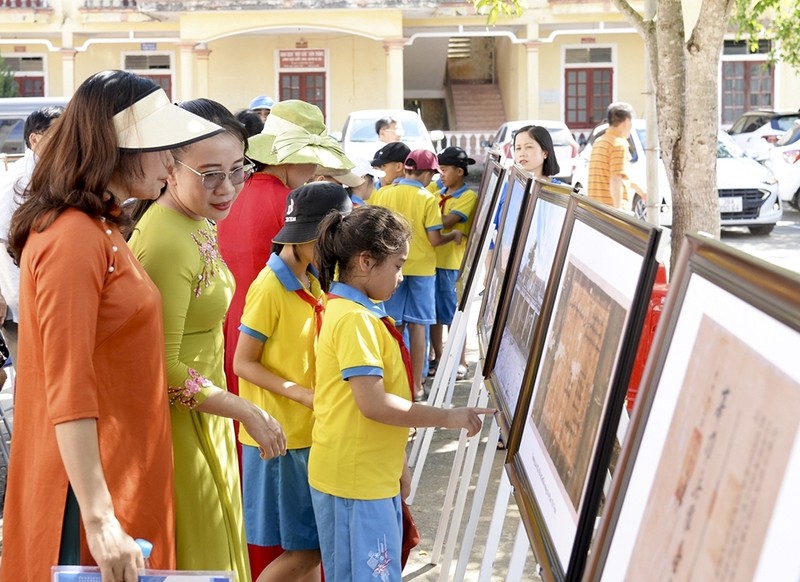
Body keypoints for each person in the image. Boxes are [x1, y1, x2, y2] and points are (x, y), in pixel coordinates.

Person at [0, 70, 223, 581]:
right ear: (116, 145)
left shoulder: (100, 226)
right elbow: (67, 382)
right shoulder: (74, 236)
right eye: (160, 146)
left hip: (120, 470)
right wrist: (100, 519)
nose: (171, 163)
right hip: (85, 492)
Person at [127, 98, 287, 580]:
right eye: (210, 174)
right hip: (180, 426)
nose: (227, 187)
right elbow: (160, 365)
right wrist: (245, 409)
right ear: (169, 169)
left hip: (209, 412)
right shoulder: (166, 237)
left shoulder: (196, 221)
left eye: (237, 170)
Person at [309, 205, 493, 581]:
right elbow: (374, 403)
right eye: (397, 265)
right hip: (355, 478)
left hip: (366, 471)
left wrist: (399, 462)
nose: (401, 276)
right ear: (365, 261)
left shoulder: (356, 311)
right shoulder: (354, 320)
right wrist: (447, 417)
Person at [216, 99, 351, 574]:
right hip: (279, 370)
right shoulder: (287, 209)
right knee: (299, 539)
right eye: (313, 159)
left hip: (235, 347)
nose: (316, 169)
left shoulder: (235, 194)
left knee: (273, 523)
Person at [369, 149, 463, 401]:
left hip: (390, 267)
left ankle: (395, 384)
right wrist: (452, 236)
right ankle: (418, 385)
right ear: (428, 173)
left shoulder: (383, 192)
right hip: (422, 270)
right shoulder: (427, 198)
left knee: (394, 325)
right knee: (419, 325)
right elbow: (434, 238)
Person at [0, 104, 63, 364]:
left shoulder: (51, 174)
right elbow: (3, 239)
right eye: (59, 133)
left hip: (43, 296)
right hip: (22, 300)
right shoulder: (18, 181)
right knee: (31, 376)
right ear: (35, 139)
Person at [428, 146, 477, 382]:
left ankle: (460, 359)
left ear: (459, 171)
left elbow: (448, 222)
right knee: (433, 314)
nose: (441, 175)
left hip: (451, 263)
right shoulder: (436, 191)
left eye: (445, 170)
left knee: (452, 313)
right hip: (431, 261)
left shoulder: (467, 197)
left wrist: (426, 216)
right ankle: (438, 356)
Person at [588, 102, 635, 209]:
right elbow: (615, 179)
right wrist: (618, 211)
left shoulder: (599, 142)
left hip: (597, 209)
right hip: (610, 211)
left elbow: (612, 176)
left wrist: (640, 191)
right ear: (627, 122)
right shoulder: (619, 144)